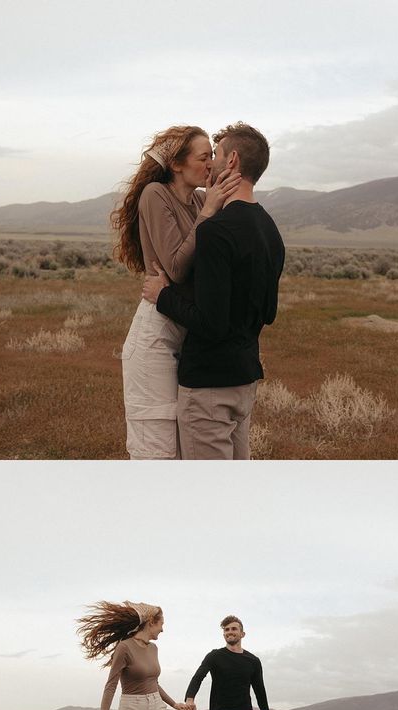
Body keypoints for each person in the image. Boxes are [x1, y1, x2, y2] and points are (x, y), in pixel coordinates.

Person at [142, 122, 285, 460]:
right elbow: (269, 313)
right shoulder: (269, 228)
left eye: (216, 155)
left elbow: (211, 323)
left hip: (208, 385)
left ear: (231, 160)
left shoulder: (216, 231)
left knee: (208, 499)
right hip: (245, 379)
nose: (211, 163)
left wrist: (163, 296)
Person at [111, 126, 241, 460]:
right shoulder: (156, 194)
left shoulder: (200, 199)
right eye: (203, 157)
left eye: (212, 156)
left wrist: (216, 199)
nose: (211, 163)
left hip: (184, 325)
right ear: (177, 164)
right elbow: (176, 268)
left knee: (186, 444)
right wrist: (209, 211)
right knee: (157, 445)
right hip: (156, 332)